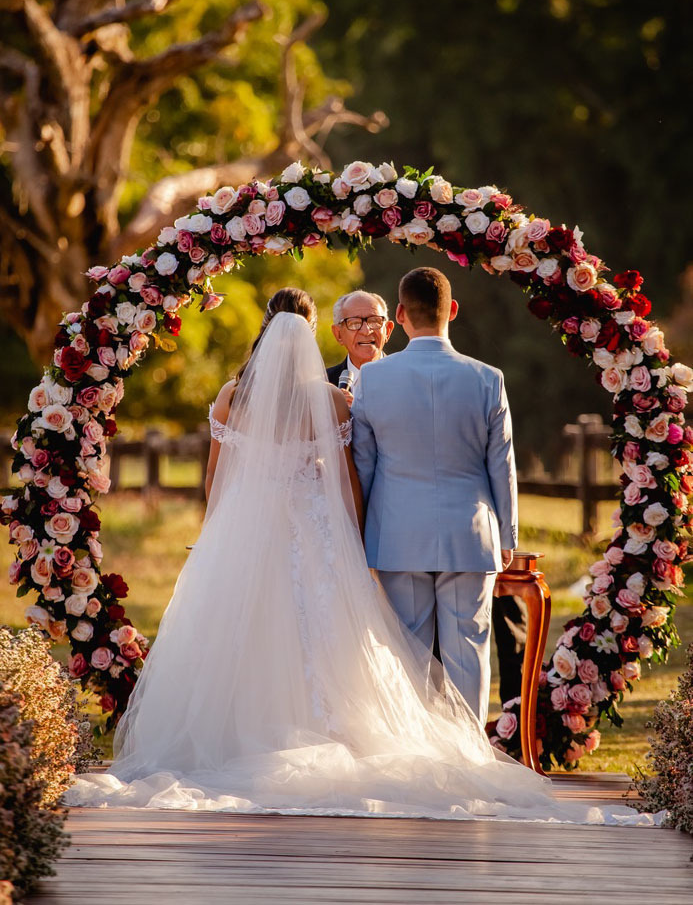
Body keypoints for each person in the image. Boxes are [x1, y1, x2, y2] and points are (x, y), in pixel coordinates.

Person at [63, 286, 654, 825]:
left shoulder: (228, 399)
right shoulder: (335, 401)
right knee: (349, 640)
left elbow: (216, 482)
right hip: (326, 536)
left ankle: (240, 740)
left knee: (247, 636)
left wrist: (219, 538)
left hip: (245, 538)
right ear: (320, 331)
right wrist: (353, 538)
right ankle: (457, 742)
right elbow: (352, 481)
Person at [351, 267, 516, 726]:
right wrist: (508, 535)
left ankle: (417, 761)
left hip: (397, 535)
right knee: (469, 653)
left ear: (398, 315)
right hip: (470, 533)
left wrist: (356, 535)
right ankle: (471, 760)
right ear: (453, 311)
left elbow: (363, 466)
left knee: (408, 655)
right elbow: (501, 464)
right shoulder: (488, 378)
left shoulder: (372, 379)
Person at [326, 290, 394, 404]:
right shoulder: (323, 384)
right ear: (338, 334)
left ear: (388, 330)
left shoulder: (406, 380)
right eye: (355, 323)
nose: (366, 331)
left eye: (374, 321)